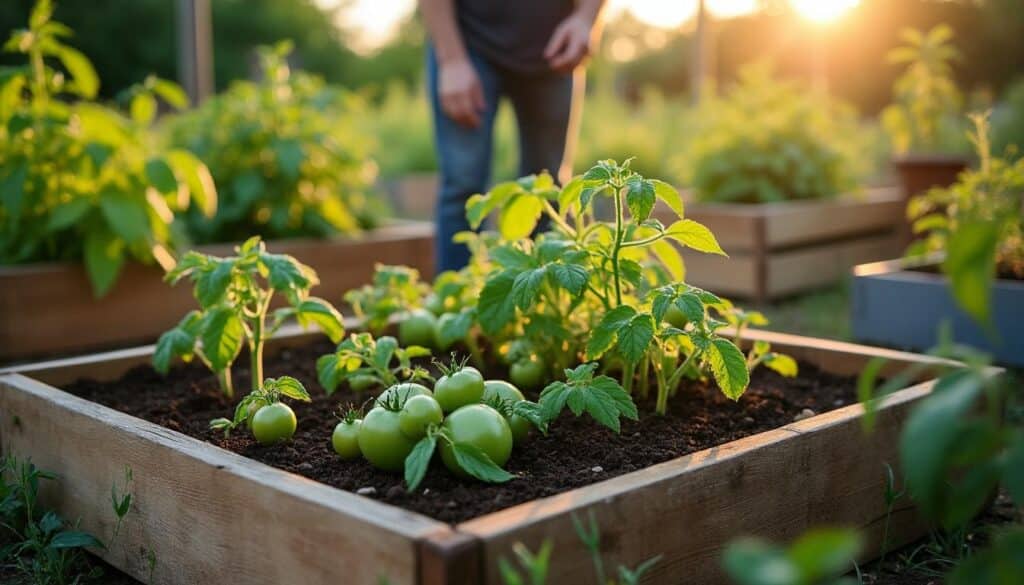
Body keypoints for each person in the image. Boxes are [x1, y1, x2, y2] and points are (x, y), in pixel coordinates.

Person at [419, 0, 606, 272]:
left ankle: (543, 301)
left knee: (548, 187)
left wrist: (585, 18)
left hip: (554, 47)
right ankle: (457, 304)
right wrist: (452, 59)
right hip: (467, 43)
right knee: (462, 184)